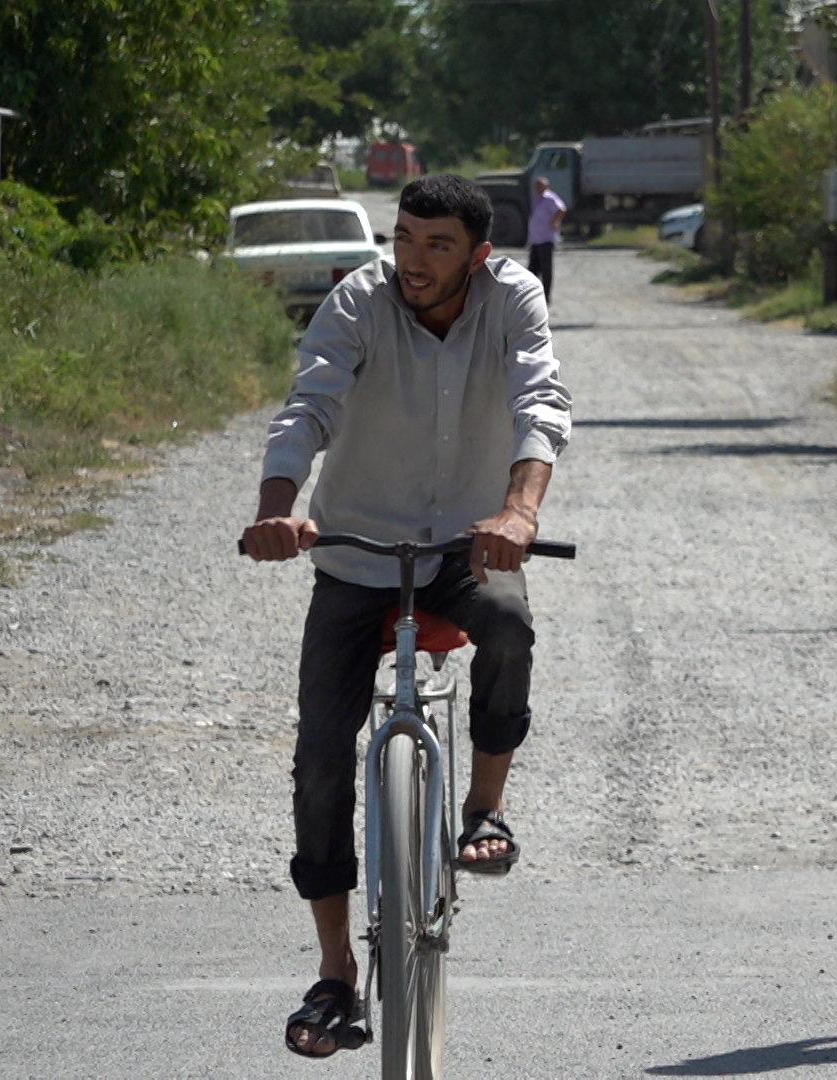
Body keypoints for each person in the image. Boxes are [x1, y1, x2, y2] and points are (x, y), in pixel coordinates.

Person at [241, 174, 572, 1059]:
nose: (412, 261)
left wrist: (518, 515)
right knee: (318, 754)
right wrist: (280, 507)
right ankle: (334, 970)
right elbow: (308, 404)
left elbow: (541, 404)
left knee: (509, 627)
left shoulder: (514, 300)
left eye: (436, 246)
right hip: (355, 553)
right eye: (404, 239)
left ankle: (483, 813)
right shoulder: (358, 300)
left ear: (478, 254)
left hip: (471, 547)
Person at [526, 176, 566, 307]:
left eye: (539, 186)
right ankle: (531, 295)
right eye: (535, 186)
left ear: (545, 186)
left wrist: (554, 222)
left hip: (545, 239)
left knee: (546, 269)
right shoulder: (536, 199)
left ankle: (546, 296)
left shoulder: (549, 197)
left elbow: (561, 209)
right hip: (536, 240)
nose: (536, 188)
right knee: (532, 269)